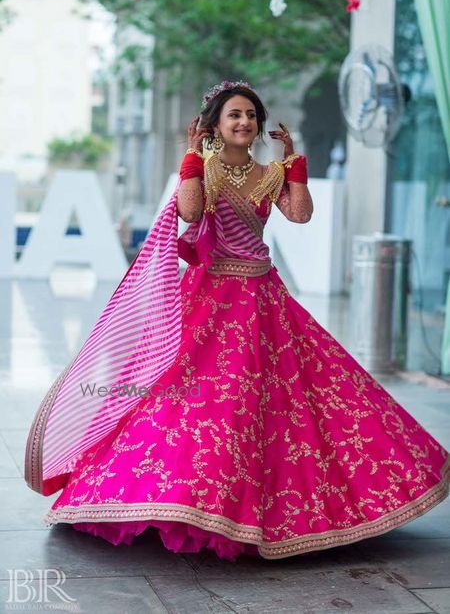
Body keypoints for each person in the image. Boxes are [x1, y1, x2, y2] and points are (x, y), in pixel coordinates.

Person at [24, 80, 450, 562]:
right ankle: (183, 502)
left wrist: (293, 166)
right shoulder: (204, 168)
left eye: (250, 115)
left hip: (265, 298)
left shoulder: (269, 173)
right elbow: (189, 212)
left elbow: (300, 215)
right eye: (234, 116)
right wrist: (190, 157)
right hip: (212, 298)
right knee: (198, 400)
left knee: (283, 400)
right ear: (215, 126)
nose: (244, 122)